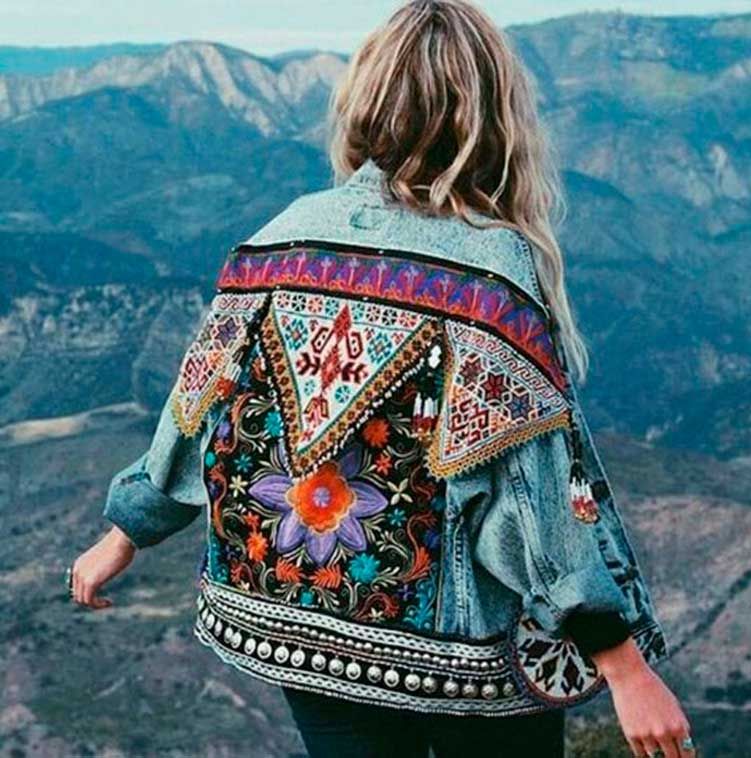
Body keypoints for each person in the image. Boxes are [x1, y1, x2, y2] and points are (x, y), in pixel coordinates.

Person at [68, 2, 696, 757]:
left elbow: (197, 404)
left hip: (301, 628)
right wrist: (623, 665)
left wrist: (126, 532)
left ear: (365, 102)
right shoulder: (489, 277)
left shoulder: (277, 242)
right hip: (462, 660)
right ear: (491, 117)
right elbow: (535, 493)